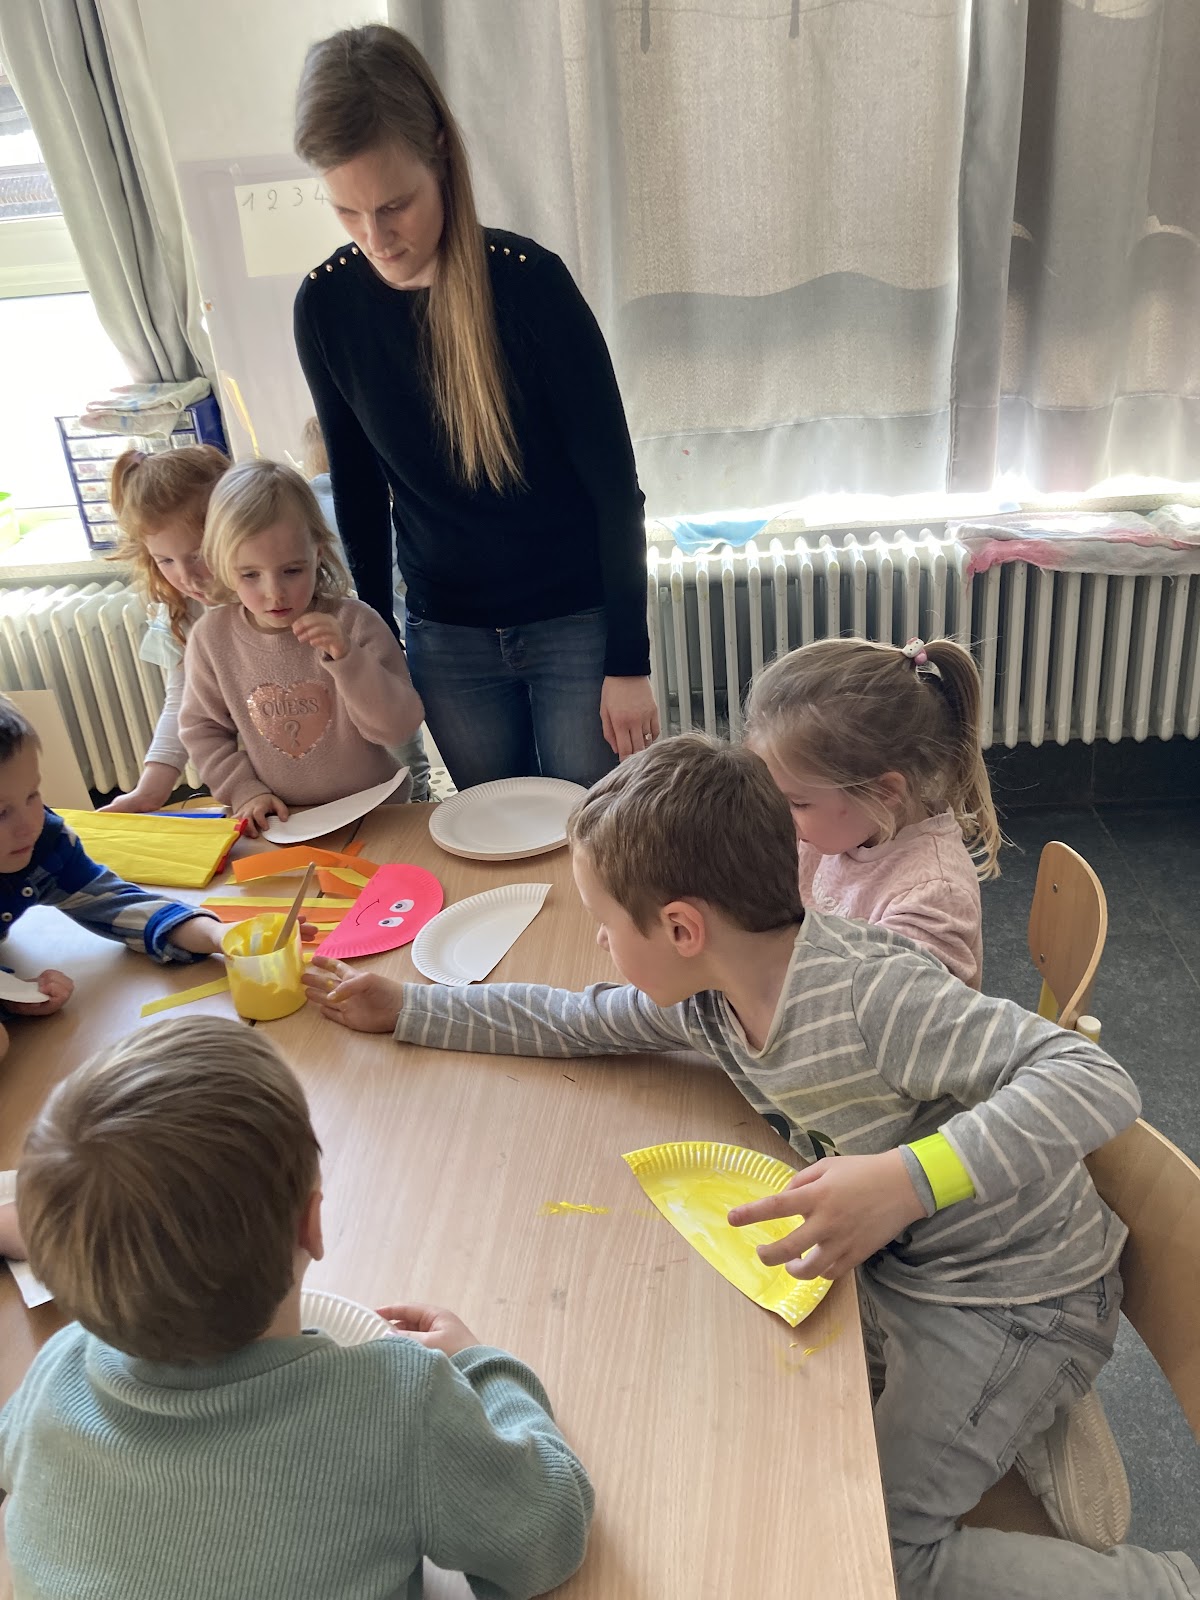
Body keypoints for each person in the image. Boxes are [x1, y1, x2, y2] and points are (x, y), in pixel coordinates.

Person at [303, 735, 1200, 1600]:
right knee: (753, 1411)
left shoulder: (873, 995)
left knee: (886, 1554)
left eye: (606, 926)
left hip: (1018, 1294)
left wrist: (906, 1180)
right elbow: (576, 1018)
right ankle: (1004, 1420)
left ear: (682, 927)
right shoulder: (710, 999)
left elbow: (1094, 1080)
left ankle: (1161, 1577)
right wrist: (410, 1009)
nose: (601, 946)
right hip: (909, 1268)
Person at [0, 1015, 594, 1598]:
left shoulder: (59, 1366)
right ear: (312, 1224)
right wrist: (480, 1367)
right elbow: (548, 1537)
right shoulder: (398, 1405)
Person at [292, 24, 659, 792]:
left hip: (575, 623)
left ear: (440, 156)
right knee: (487, 827)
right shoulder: (326, 305)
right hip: (446, 634)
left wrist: (629, 662)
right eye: (348, 213)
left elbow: (614, 490)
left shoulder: (530, 286)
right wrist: (379, 645)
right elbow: (357, 489)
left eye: (395, 205)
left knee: (591, 830)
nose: (376, 238)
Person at [179, 459, 424, 838]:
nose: (274, 592)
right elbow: (203, 729)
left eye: (292, 570)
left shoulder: (355, 622)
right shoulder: (211, 638)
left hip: (377, 815)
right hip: (282, 822)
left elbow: (399, 728)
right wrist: (244, 790)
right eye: (250, 575)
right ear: (222, 566)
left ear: (318, 554)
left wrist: (349, 660)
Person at [745, 634, 1001, 989]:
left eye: (798, 803)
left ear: (883, 792)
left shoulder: (933, 896)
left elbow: (891, 1010)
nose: (778, 816)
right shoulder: (839, 829)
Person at [0, 697, 224, 1062]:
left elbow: (117, 904)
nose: (28, 826)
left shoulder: (48, 844)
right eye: (0, 813)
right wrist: (9, 992)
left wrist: (219, 935)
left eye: (32, 795)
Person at [300, 415, 432, 803]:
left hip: (319, 658)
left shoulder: (300, 511)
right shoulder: (384, 511)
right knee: (403, 747)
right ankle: (417, 799)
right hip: (382, 642)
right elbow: (403, 578)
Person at [100, 445, 231, 813]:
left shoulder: (279, 594)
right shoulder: (182, 609)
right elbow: (182, 698)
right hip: (251, 781)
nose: (186, 576)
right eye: (165, 560)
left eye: (197, 555)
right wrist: (150, 789)